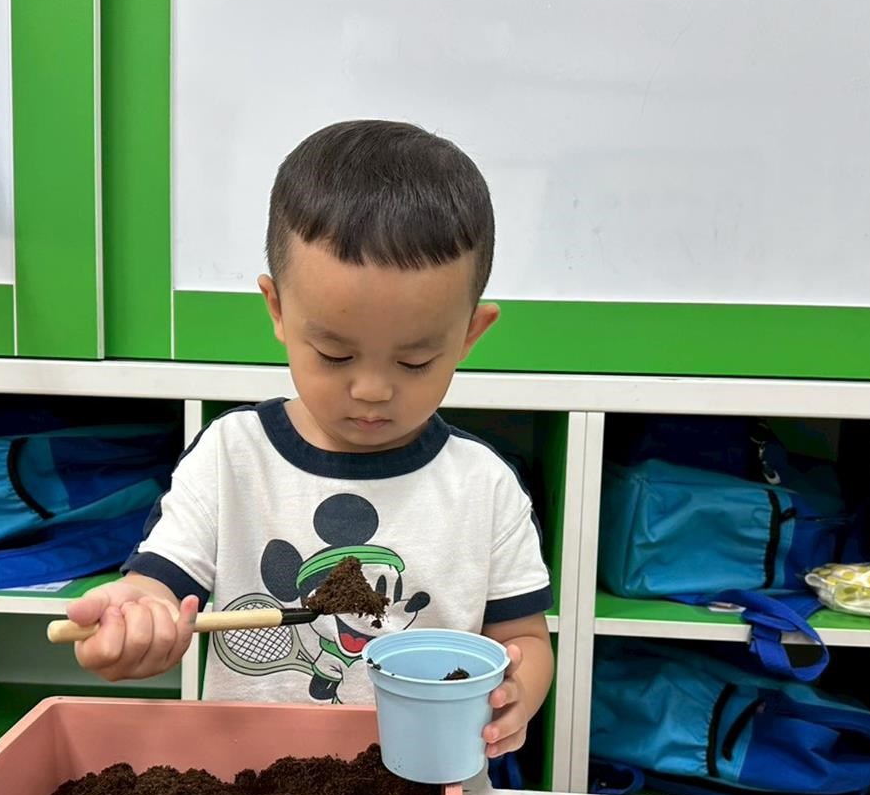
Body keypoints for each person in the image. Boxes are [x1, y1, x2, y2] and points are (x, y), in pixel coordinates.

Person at [65, 119, 554, 761]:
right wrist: (136, 620)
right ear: (277, 309)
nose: (372, 390)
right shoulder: (231, 458)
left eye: (415, 361)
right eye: (334, 354)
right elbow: (156, 588)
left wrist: (518, 694)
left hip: (428, 784)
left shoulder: (483, 485)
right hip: (248, 783)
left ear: (469, 334)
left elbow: (525, 640)